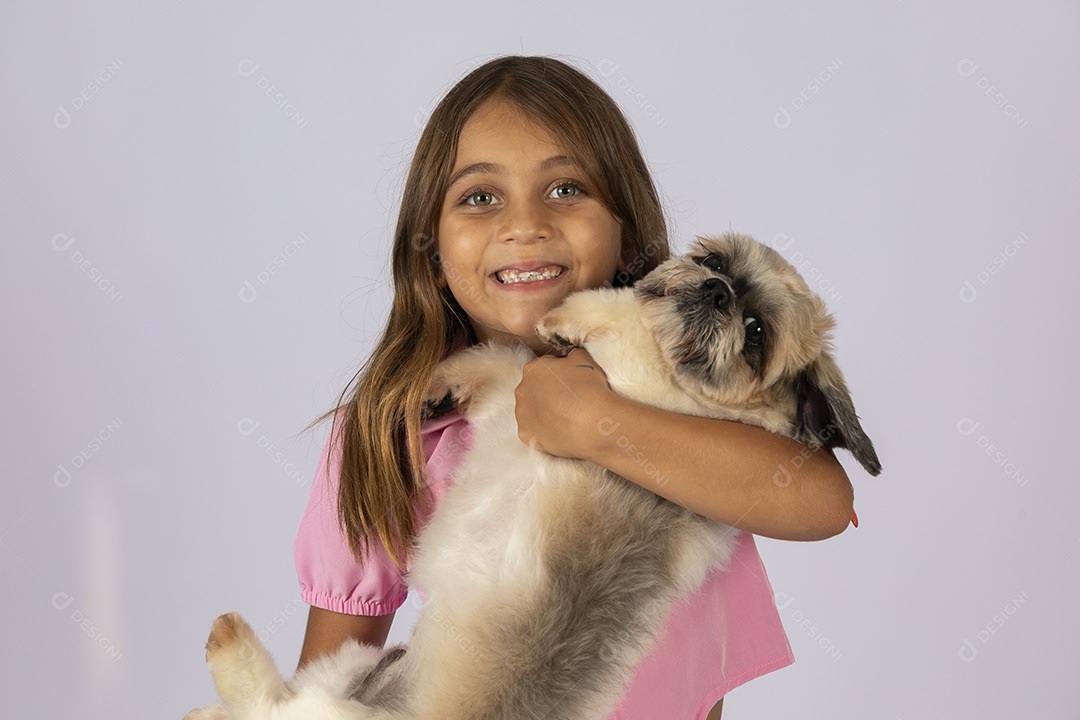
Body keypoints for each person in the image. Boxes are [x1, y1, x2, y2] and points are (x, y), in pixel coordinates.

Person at [293, 55, 854, 720]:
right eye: (479, 197)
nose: (525, 224)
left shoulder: (701, 388)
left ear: (626, 235)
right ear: (432, 252)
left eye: (566, 189)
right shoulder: (395, 430)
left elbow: (820, 499)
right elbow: (319, 690)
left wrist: (599, 424)